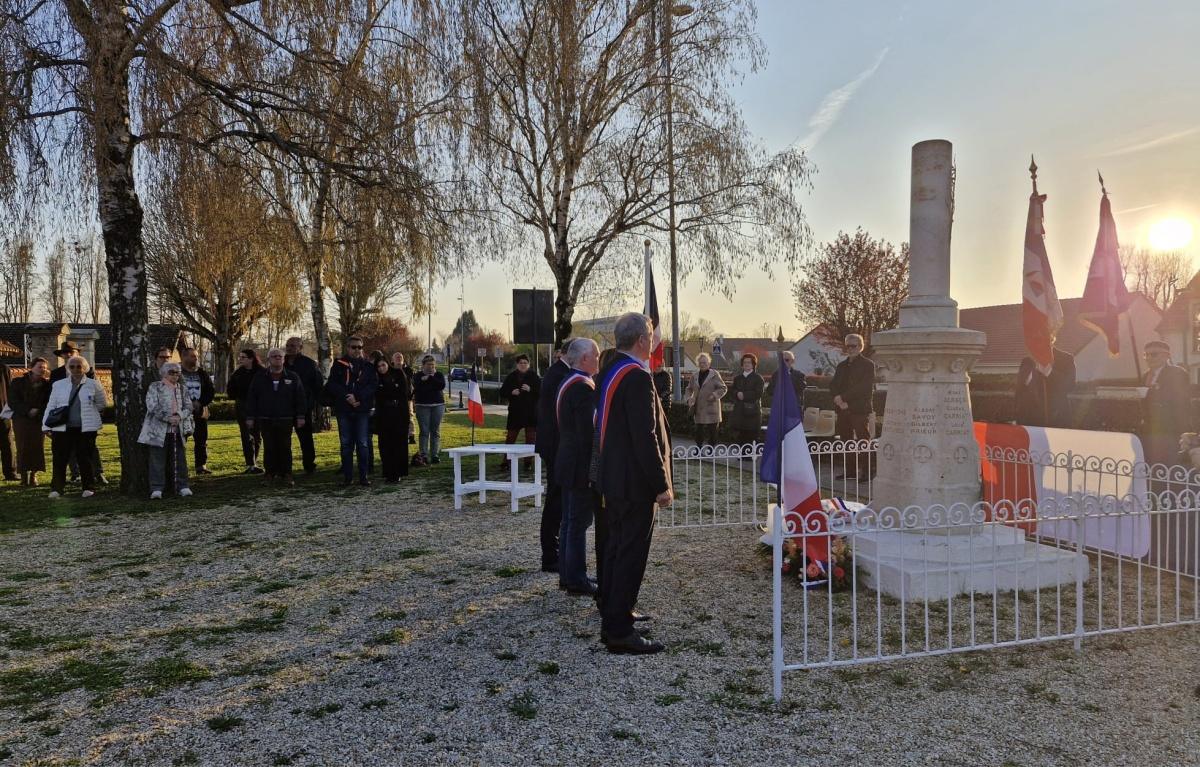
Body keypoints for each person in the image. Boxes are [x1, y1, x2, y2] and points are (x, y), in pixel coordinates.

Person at [594, 313, 672, 654]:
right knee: (629, 554)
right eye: (651, 334)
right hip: (634, 482)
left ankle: (614, 613)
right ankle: (619, 630)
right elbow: (645, 435)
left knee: (615, 550)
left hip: (614, 478)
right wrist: (660, 483)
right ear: (642, 339)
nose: (653, 340)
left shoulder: (611, 370)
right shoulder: (637, 377)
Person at [554, 338, 600, 595]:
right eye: (595, 355)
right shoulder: (582, 387)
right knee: (577, 523)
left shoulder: (569, 381)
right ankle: (576, 579)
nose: (598, 359)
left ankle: (568, 574)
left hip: (567, 459)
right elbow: (588, 433)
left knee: (569, 523)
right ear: (584, 359)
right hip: (579, 464)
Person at [42, 355, 106, 499]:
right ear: (68, 368)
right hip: (62, 428)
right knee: (60, 458)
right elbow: (51, 406)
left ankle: (88, 487)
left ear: (85, 368)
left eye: (79, 366)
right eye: (72, 366)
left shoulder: (93, 384)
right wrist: (45, 425)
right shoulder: (59, 385)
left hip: (85, 428)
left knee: (85, 458)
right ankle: (57, 488)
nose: (76, 369)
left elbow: (101, 404)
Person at [534, 340, 572, 573]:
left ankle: (554, 552)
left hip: (555, 444)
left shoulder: (558, 372)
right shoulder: (560, 374)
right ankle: (550, 554)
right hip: (556, 446)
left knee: (557, 500)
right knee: (555, 501)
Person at [247, 348, 308, 486]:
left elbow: (300, 397)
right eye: (274, 356)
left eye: (280, 356)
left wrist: (300, 416)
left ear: (284, 358)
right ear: (268, 359)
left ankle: (287, 474)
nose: (277, 358)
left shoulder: (292, 377)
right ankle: (269, 474)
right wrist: (250, 416)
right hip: (265, 418)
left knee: (285, 447)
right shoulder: (260, 377)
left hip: (286, 418)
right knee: (269, 447)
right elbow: (252, 397)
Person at [324, 336, 377, 485]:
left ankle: (363, 477)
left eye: (359, 347)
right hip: (344, 409)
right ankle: (348, 477)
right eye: (354, 347)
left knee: (363, 443)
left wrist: (358, 397)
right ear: (348, 348)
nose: (357, 350)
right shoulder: (339, 364)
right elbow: (332, 384)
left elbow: (372, 385)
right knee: (346, 444)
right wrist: (347, 396)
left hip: (362, 409)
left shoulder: (367, 366)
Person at [137, 361, 194, 499]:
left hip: (178, 428)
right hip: (158, 430)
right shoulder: (155, 387)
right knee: (157, 459)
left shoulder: (182, 389)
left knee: (180, 458)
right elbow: (152, 406)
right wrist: (167, 418)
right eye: (171, 372)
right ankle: (156, 488)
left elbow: (189, 406)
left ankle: (183, 486)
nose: (175, 375)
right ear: (164, 373)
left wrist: (179, 416)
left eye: (177, 372)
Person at [829, 333, 877, 481]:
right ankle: (850, 471)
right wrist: (837, 399)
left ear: (861, 347)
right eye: (848, 346)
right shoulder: (841, 365)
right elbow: (834, 384)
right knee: (846, 441)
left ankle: (867, 472)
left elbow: (865, 387)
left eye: (854, 346)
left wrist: (844, 398)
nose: (850, 349)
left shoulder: (868, 365)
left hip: (859, 409)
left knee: (863, 440)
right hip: (843, 409)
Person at [1139, 340, 1191, 468]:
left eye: (1154, 354)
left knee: (1171, 469)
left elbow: (1179, 400)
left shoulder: (1177, 373)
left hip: (1171, 429)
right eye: (1146, 355)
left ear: (1167, 356)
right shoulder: (1145, 375)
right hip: (1149, 430)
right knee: (1152, 468)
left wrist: (1152, 393)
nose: (1149, 358)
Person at [284, 337, 324, 475]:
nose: (290, 348)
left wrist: (313, 402)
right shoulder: (281, 363)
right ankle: (283, 467)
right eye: (288, 345)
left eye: (293, 345)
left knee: (305, 438)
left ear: (300, 347)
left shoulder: (309, 364)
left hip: (304, 407)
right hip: (284, 407)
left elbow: (317, 384)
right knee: (283, 438)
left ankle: (309, 465)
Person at [8, 358, 50, 486]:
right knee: (23, 446)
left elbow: (48, 402)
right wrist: (27, 410)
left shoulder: (47, 385)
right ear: (31, 367)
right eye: (39, 367)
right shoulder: (18, 382)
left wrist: (38, 411)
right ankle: (23, 475)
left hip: (38, 419)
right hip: (21, 419)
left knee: (37, 446)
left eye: (44, 367)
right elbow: (13, 401)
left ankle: (33, 475)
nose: (42, 369)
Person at [1014, 348, 1077, 428]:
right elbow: (1019, 391)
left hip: (1058, 423)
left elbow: (1069, 385)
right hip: (1030, 425)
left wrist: (1048, 370)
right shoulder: (1027, 361)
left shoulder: (1065, 358)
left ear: (1051, 336)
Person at [373, 357, 412, 482]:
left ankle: (398, 472)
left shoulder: (398, 373)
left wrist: (386, 391)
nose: (381, 368)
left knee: (398, 444)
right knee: (385, 444)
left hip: (399, 413)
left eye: (383, 365)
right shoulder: (377, 378)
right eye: (379, 367)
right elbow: (378, 395)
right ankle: (388, 471)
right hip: (384, 414)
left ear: (388, 364)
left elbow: (403, 392)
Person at [226, 349, 264, 474]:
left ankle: (254, 460)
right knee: (246, 434)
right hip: (242, 405)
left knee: (257, 435)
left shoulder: (261, 372)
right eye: (240, 357)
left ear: (251, 358)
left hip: (258, 406)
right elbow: (230, 390)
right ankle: (250, 463)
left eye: (243, 357)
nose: (240, 359)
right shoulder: (238, 373)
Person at [179, 347, 215, 475]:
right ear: (184, 357)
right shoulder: (176, 372)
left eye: (196, 356)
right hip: (182, 412)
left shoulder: (202, 373)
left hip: (200, 411)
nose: (196, 359)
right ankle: (179, 467)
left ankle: (201, 466)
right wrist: (187, 403)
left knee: (201, 439)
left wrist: (201, 402)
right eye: (193, 356)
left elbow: (210, 390)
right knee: (181, 439)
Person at [501, 354, 540, 470]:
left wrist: (531, 389)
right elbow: (502, 392)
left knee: (530, 439)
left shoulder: (534, 376)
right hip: (515, 412)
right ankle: (506, 462)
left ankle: (528, 462)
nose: (523, 365)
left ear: (529, 364)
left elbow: (542, 392)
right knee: (510, 438)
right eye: (521, 363)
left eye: (525, 363)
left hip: (530, 413)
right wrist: (511, 392)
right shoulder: (511, 376)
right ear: (517, 364)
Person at [685, 352, 727, 448]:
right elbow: (688, 389)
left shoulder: (714, 374)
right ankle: (698, 449)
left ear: (709, 363)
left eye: (705, 362)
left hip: (711, 407)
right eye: (701, 362)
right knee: (698, 431)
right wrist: (689, 398)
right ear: (698, 364)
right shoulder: (694, 375)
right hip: (699, 408)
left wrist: (714, 395)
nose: (703, 364)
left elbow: (723, 388)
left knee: (712, 432)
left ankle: (711, 450)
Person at [411, 355, 446, 466]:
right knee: (424, 431)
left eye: (433, 365)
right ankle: (424, 455)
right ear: (423, 365)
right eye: (428, 365)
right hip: (422, 406)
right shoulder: (418, 376)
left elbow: (441, 385)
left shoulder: (438, 375)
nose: (431, 367)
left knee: (435, 431)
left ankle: (435, 455)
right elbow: (419, 388)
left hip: (438, 405)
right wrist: (430, 385)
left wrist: (430, 379)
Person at [726, 353, 765, 446]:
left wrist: (744, 395)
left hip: (752, 412)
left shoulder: (758, 378)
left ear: (753, 364)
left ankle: (749, 457)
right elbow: (732, 391)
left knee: (751, 436)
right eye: (745, 362)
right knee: (740, 435)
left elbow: (759, 393)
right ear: (742, 364)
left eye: (749, 362)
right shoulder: (737, 378)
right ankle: (741, 456)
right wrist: (737, 393)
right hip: (739, 412)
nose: (746, 364)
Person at [392, 352, 417, 445]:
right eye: (397, 357)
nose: (399, 359)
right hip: (395, 399)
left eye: (400, 357)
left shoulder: (408, 370)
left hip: (407, 398)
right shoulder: (391, 371)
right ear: (392, 360)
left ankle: (411, 435)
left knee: (409, 416)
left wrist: (412, 394)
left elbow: (412, 383)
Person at [0, 361, 15, 480]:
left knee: (7, 443)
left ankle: (10, 472)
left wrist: (8, 410)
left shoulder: (3, 368)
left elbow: (10, 389)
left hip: (2, 411)